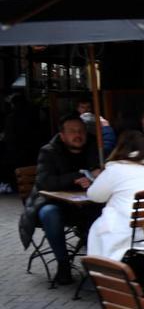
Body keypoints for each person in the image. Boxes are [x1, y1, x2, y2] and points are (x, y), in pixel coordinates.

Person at [19, 115, 103, 285]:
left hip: (84, 203)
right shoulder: (49, 151)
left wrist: (93, 178)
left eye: (81, 131)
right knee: (50, 214)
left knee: (104, 210)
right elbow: (45, 182)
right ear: (62, 135)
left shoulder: (94, 145)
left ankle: (98, 262)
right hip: (52, 202)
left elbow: (97, 171)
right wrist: (77, 176)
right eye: (72, 132)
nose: (77, 135)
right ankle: (63, 265)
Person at [86, 131, 144, 262]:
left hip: (129, 237)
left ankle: (102, 271)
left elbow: (94, 196)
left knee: (99, 224)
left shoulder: (117, 168)